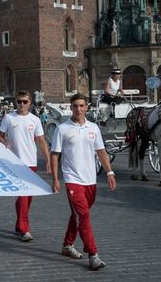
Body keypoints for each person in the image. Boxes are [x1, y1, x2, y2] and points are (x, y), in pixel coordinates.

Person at [50, 93, 117, 271]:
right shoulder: (62, 129)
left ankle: (67, 245)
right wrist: (56, 179)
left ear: (87, 107)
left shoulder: (93, 128)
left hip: (90, 180)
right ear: (70, 108)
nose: (78, 109)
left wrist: (109, 172)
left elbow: (101, 151)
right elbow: (55, 154)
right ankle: (93, 254)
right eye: (75, 106)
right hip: (72, 180)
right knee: (84, 215)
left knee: (78, 215)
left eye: (81, 106)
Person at [0, 91, 51, 242]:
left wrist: (48, 161)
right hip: (14, 163)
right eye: (19, 101)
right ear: (15, 102)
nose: (21, 104)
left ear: (30, 102)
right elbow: (0, 134)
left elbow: (41, 141)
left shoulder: (35, 120)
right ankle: (24, 229)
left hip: (31, 162)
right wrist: (4, 143)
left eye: (24, 102)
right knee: (22, 196)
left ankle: (18, 224)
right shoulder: (9, 118)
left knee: (28, 197)